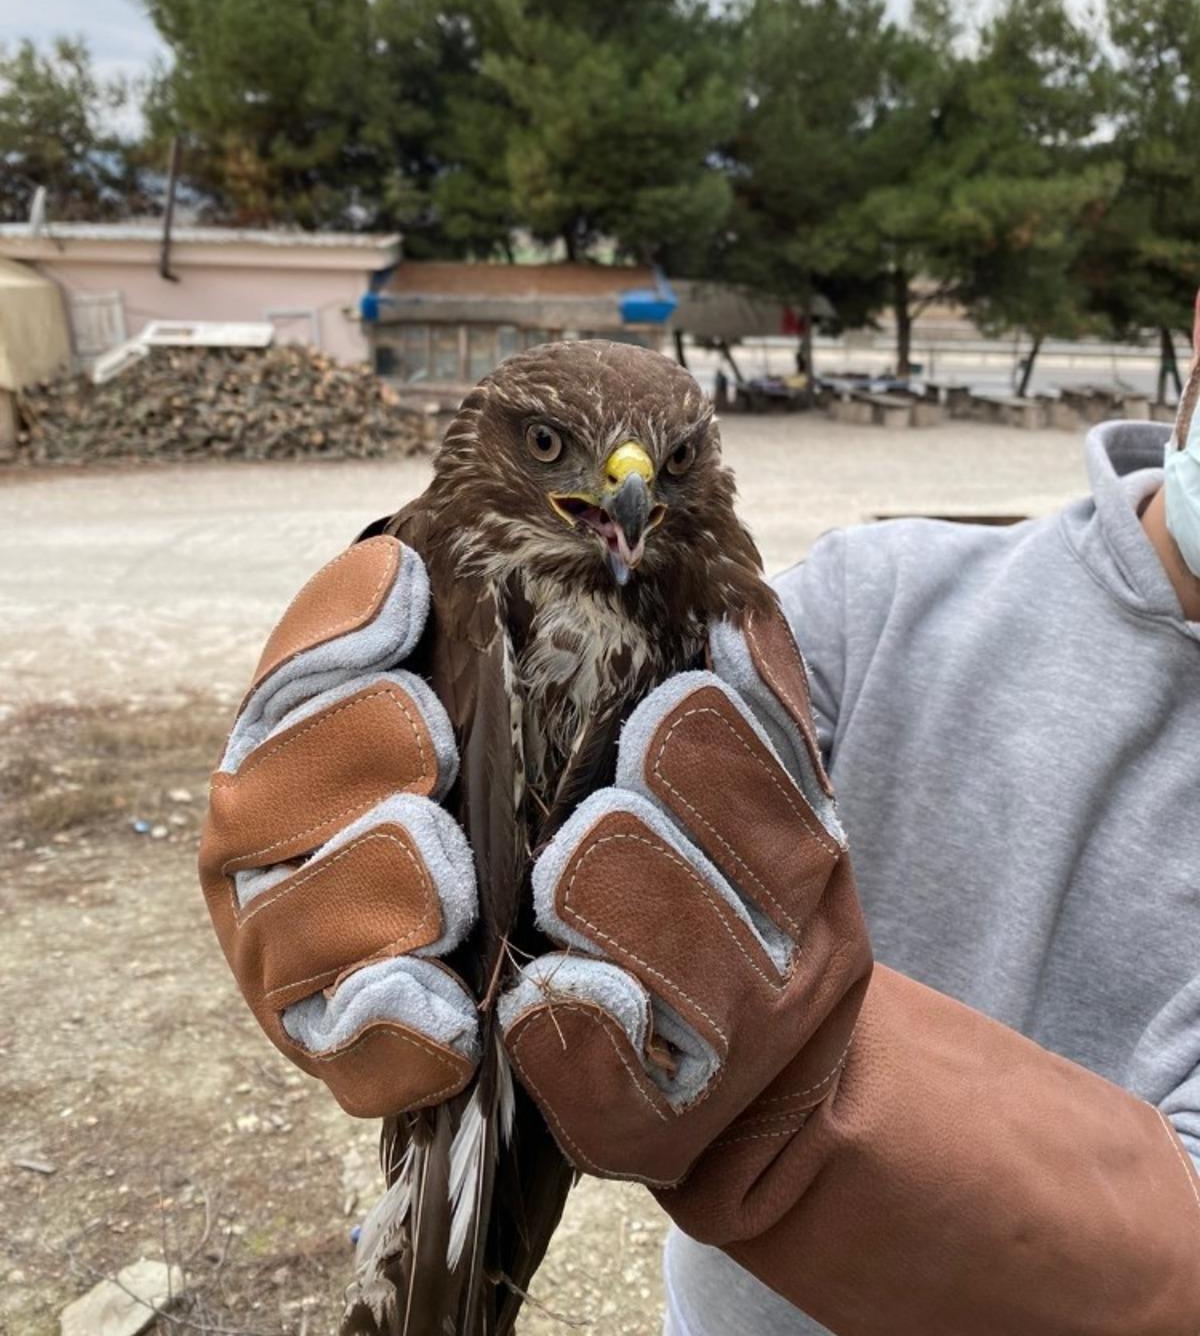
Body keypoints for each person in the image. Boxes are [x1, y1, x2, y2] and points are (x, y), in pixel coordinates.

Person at [200, 299, 1200, 1336]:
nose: (627, 494)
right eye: (550, 445)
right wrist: (309, 861)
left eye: (671, 466)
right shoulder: (873, 599)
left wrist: (798, 1100)